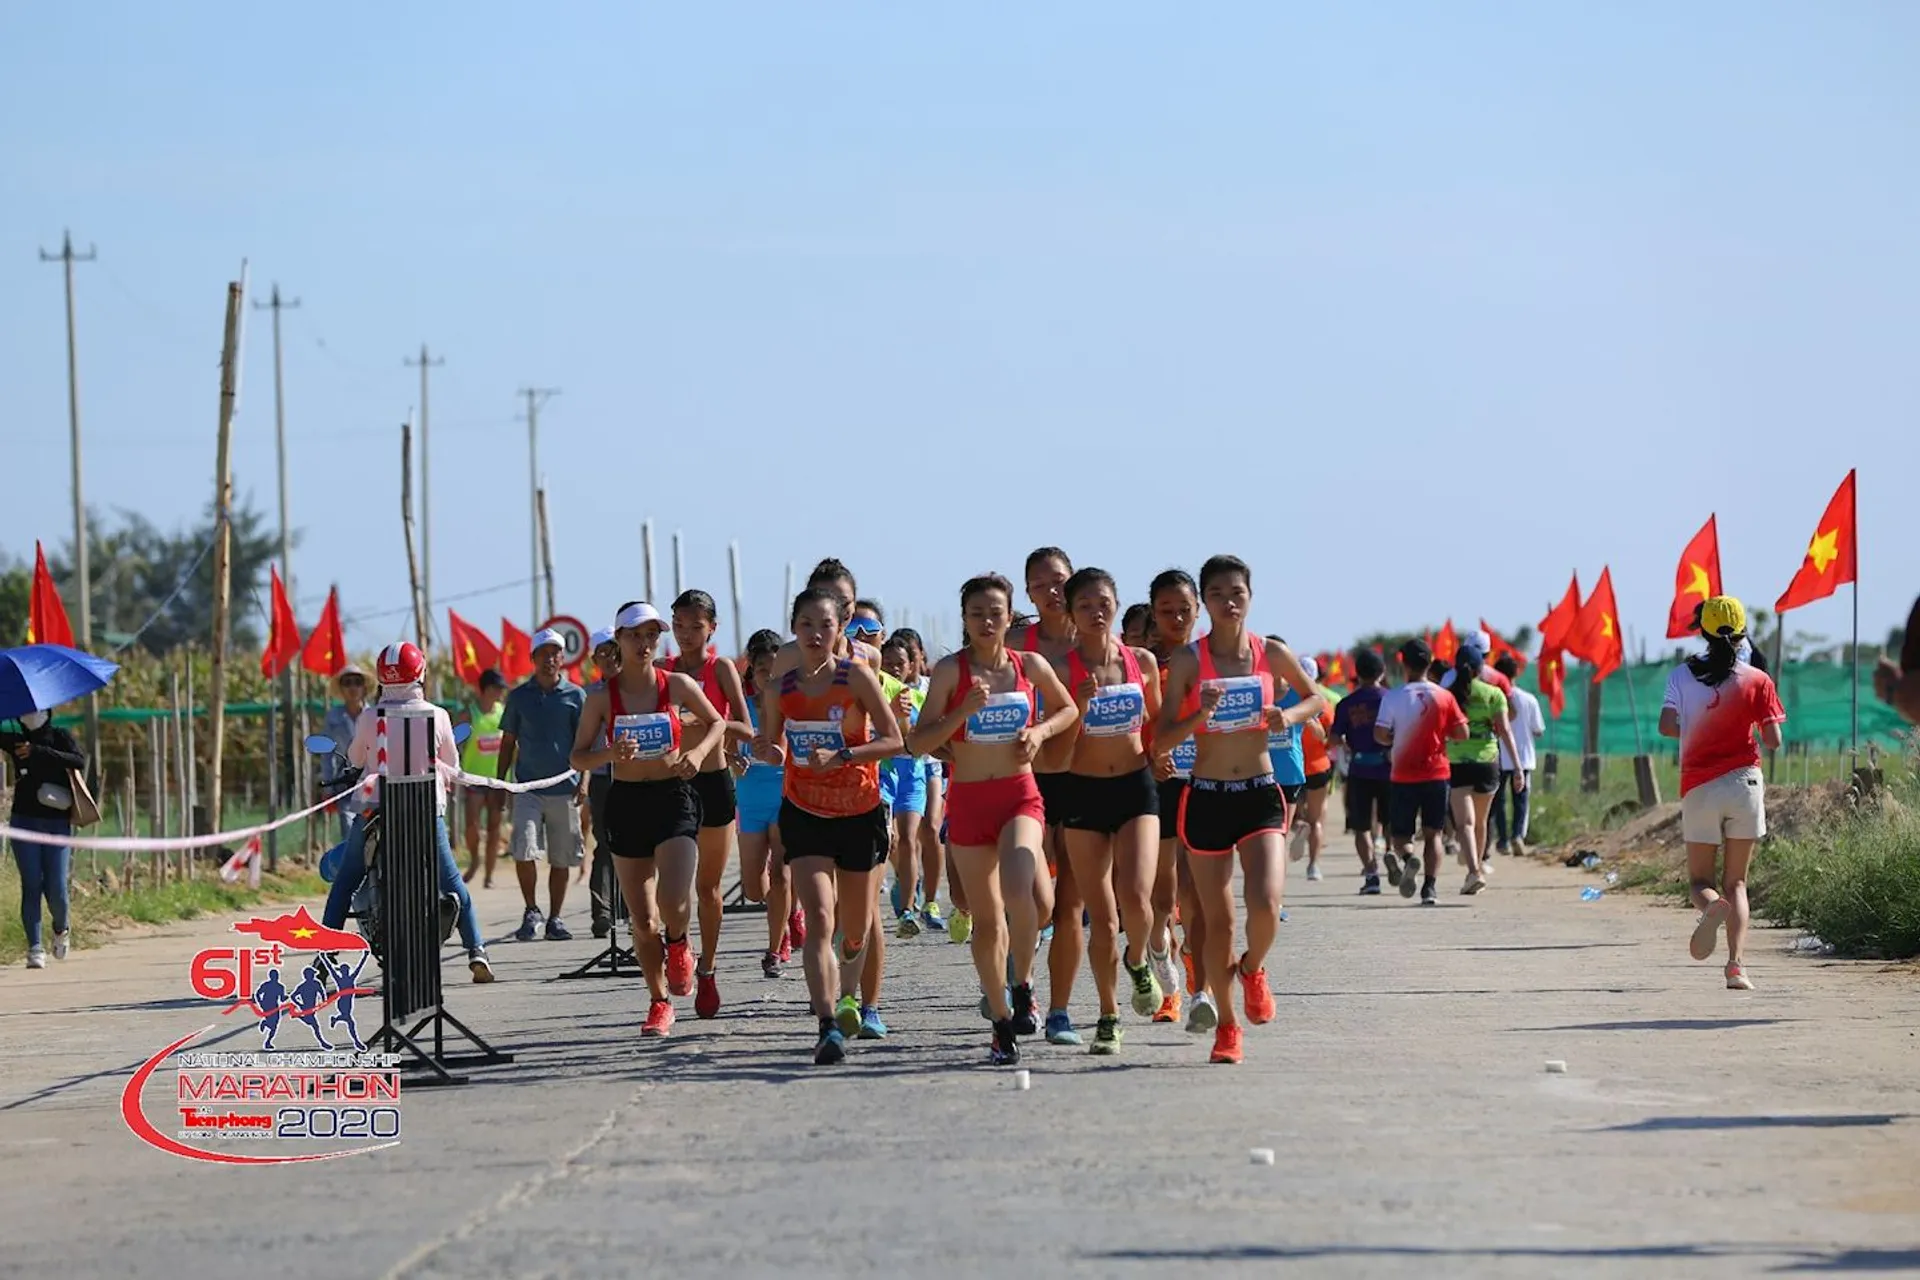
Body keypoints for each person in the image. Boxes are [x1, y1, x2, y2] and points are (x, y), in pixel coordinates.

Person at [1156, 555, 1325, 1065]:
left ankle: (1253, 969)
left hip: (1259, 793)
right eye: (1218, 595)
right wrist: (1198, 716)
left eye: (1238, 593)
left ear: (1250, 597)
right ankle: (1227, 1029)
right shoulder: (1189, 661)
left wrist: (1286, 714)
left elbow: (1316, 699)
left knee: (1267, 904)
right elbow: (1161, 738)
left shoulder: (1269, 653)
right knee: (1218, 922)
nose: (1229, 603)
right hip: (1206, 796)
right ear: (1204, 603)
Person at [910, 572, 1077, 1065]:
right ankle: (1002, 1022)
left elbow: (1068, 709)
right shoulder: (949, 671)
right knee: (986, 922)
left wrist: (1041, 731)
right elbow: (917, 743)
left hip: (1019, 794)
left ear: (1010, 618)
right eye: (977, 613)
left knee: (1022, 889)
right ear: (964, 619)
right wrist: (961, 710)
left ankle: (1022, 983)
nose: (987, 621)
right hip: (969, 802)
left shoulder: (1029, 665)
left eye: (996, 613)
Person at [753, 587, 904, 1065]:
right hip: (805, 812)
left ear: (840, 629)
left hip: (860, 812)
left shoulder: (857, 677)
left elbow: (894, 740)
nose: (816, 634)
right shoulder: (781, 688)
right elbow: (772, 744)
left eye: (825, 625)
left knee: (855, 929)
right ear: (793, 631)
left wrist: (841, 754)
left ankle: (855, 991)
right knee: (819, 919)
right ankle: (826, 1026)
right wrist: (766, 751)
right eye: (805, 626)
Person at [569, 602, 727, 1035]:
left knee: (674, 902)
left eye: (652, 635)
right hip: (627, 802)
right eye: (635, 635)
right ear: (618, 640)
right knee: (642, 920)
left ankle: (679, 943)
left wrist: (695, 754)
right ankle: (659, 1002)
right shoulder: (602, 697)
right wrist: (607, 754)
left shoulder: (674, 685)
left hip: (673, 797)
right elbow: (577, 755)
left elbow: (717, 722)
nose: (644, 643)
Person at [325, 642, 493, 981]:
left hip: (375, 812)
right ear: (419, 673)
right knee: (453, 882)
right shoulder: (438, 715)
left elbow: (356, 760)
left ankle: (324, 963)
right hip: (426, 814)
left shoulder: (371, 717)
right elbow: (452, 766)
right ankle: (477, 951)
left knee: (345, 881)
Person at [1058, 567, 1165, 1055]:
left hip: (1135, 787)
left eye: (1103, 602)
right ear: (1071, 614)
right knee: (1101, 918)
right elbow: (1055, 753)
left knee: (1138, 899)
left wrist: (1163, 752)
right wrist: (1077, 709)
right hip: (1083, 792)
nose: (1096, 612)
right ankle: (1108, 1014)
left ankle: (1138, 960)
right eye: (1084, 605)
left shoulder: (1140, 660)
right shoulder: (1061, 670)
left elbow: (1155, 723)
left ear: (1117, 605)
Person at [1658, 596, 1786, 991]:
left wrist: (1697, 730)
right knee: (1739, 883)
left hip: (1699, 786)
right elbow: (1774, 739)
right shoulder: (1757, 679)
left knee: (1700, 881)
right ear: (1743, 632)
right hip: (1745, 784)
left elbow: (1666, 726)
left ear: (1703, 630)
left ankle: (1710, 905)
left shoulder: (1681, 676)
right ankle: (1736, 966)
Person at [1012, 546, 1088, 1046]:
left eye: (1059, 581)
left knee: (1070, 905)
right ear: (1029, 594)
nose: (1052, 592)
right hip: (1031, 782)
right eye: (1040, 585)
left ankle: (1058, 1010)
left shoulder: (1099, 638)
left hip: (1086, 780)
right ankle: (1019, 976)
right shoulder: (1019, 642)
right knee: (1036, 902)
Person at [667, 589, 753, 1020]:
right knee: (674, 885)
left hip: (715, 780)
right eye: (679, 625)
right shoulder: (663, 671)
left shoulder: (720, 668)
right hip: (673, 785)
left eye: (695, 626)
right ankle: (678, 944)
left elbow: (745, 726)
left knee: (709, 888)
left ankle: (709, 969)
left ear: (711, 628)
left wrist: (706, 722)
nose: (686, 634)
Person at [498, 629, 586, 942]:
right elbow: (508, 741)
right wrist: (502, 784)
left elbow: (584, 743)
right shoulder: (519, 697)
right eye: (543, 654)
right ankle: (531, 909)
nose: (550, 659)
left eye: (555, 653)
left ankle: (556, 918)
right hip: (527, 789)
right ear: (533, 658)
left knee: (562, 857)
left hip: (565, 786)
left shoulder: (576, 696)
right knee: (524, 849)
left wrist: (584, 781)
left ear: (562, 658)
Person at [1374, 638, 1469, 907]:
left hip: (1403, 775)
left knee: (1401, 836)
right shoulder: (1444, 696)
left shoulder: (1393, 697)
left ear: (1404, 664)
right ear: (1430, 663)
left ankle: (1407, 859)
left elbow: (1380, 734)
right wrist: (1440, 732)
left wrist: (1395, 737)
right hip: (1437, 774)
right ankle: (1429, 888)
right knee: (1434, 834)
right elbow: (1462, 732)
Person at [1148, 568, 1203, 1027]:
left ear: (1198, 610)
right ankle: (1166, 970)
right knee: (1161, 897)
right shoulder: (1147, 666)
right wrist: (1153, 757)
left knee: (1197, 890)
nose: (1176, 617)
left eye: (1184, 609)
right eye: (1166, 610)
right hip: (1160, 786)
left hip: (1206, 785)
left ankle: (1194, 985)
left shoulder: (1217, 662)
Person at [733, 629, 796, 978]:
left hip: (784, 795)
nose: (769, 678)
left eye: (775, 672)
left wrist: (773, 753)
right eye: (762, 671)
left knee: (782, 873)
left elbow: (783, 752)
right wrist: (733, 760)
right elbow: (726, 744)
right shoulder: (739, 707)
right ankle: (786, 914)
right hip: (749, 798)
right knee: (755, 888)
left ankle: (774, 947)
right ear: (751, 674)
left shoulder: (788, 704)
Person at [3, 707, 85, 968]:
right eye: (24, 710)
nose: (30, 714)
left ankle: (61, 928)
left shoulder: (60, 736)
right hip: (23, 821)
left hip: (56, 823)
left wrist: (39, 751)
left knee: (56, 886)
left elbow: (77, 760)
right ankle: (34, 947)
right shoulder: (15, 738)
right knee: (31, 884)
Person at [1443, 642, 1526, 895]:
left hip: (1458, 763)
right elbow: (1506, 731)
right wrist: (1518, 768)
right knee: (1480, 822)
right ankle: (1477, 867)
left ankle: (1473, 872)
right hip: (1490, 763)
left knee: (1464, 824)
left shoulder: (1447, 695)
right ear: (1482, 667)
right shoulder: (1494, 694)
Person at [1330, 647, 1392, 894]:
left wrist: (1346, 743)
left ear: (1358, 673)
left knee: (1362, 827)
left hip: (1359, 768)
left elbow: (1334, 738)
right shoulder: (1391, 698)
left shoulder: (1347, 704)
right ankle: (1391, 855)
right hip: (1389, 769)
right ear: (1383, 671)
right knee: (1389, 822)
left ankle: (1371, 875)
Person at [581, 628, 623, 939]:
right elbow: (583, 746)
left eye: (613, 651)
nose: (608, 658)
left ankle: (631, 909)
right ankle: (603, 911)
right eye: (602, 654)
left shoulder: (637, 690)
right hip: (600, 779)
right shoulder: (592, 696)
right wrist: (583, 780)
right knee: (604, 845)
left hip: (636, 777)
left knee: (635, 844)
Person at [459, 669, 510, 886]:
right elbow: (453, 739)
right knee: (471, 825)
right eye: (498, 688)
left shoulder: (504, 713)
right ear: (487, 689)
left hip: (498, 779)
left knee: (494, 827)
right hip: (474, 778)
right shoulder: (470, 714)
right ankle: (474, 860)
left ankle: (489, 875)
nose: (501, 692)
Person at [1491, 653, 1544, 855]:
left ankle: (1503, 840)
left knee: (1499, 800)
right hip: (1523, 757)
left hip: (1498, 756)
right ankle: (1517, 836)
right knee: (1520, 799)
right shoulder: (1529, 699)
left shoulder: (1494, 697)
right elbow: (1538, 729)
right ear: (1517, 673)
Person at [1291, 655, 1337, 882]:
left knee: (1290, 814)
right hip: (1319, 766)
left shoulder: (1289, 698)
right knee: (1317, 819)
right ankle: (1313, 866)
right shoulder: (1323, 703)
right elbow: (1327, 738)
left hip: (1293, 765)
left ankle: (1298, 825)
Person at [323, 665, 371, 841]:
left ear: (364, 687)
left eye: (357, 682)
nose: (352, 687)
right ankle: (353, 867)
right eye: (347, 683)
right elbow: (327, 755)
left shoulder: (374, 715)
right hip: (345, 783)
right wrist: (328, 787)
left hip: (371, 781)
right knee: (349, 827)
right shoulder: (333, 717)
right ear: (341, 689)